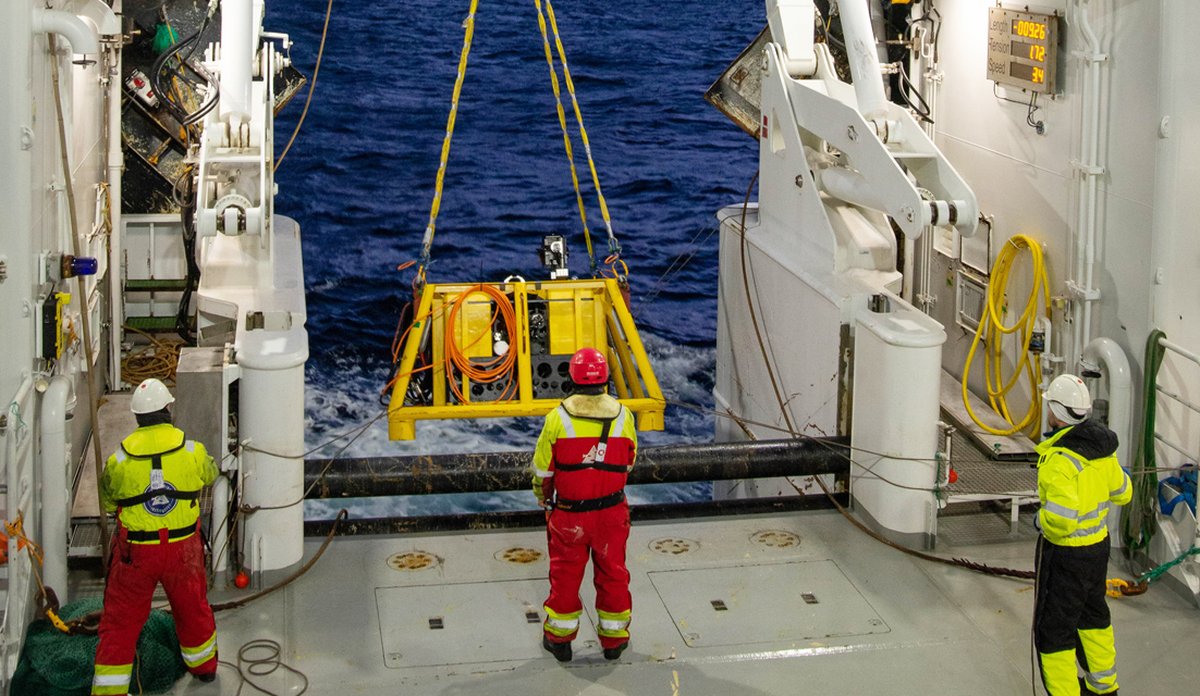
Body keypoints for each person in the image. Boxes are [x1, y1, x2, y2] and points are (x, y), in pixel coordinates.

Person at [92, 378, 219, 695]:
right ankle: (204, 669)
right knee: (193, 609)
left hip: (135, 554)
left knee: (120, 623)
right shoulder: (190, 449)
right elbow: (210, 473)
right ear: (167, 411)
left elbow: (108, 497)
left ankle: (109, 690)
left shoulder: (120, 459)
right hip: (183, 551)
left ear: (137, 417)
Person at [531, 347, 637, 663]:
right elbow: (629, 461)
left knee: (564, 576)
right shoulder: (623, 414)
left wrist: (543, 495)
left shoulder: (557, 418)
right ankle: (614, 642)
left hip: (569, 517)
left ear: (572, 377)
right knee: (614, 574)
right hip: (611, 513)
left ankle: (560, 642)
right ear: (604, 378)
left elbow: (542, 470)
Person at [1034, 374, 1131, 696]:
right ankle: (1104, 687)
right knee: (1093, 616)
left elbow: (1061, 521)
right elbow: (1122, 493)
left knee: (1055, 631)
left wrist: (1039, 521)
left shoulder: (1059, 460)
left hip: (1066, 554)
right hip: (1097, 550)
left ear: (1056, 412)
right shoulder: (1103, 449)